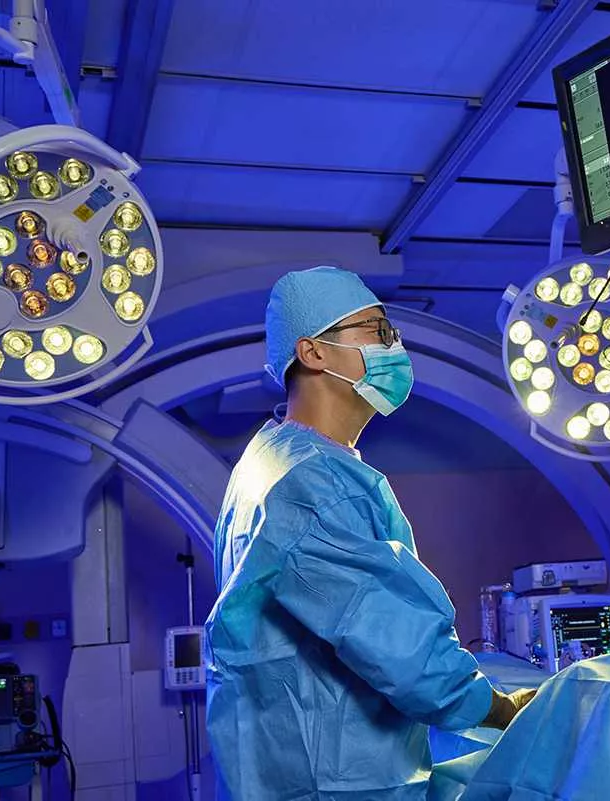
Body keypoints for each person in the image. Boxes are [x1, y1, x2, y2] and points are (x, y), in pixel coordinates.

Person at [205, 266, 534, 800]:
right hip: (337, 781)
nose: (395, 348)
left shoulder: (272, 463)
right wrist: (499, 708)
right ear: (313, 352)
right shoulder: (312, 483)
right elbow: (393, 640)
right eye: (378, 332)